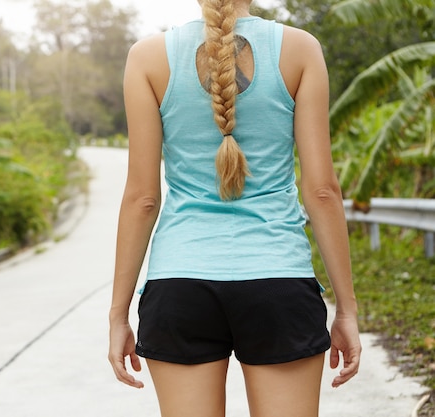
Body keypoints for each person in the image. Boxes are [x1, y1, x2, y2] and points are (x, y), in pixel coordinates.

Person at [108, 0, 362, 416]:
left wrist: (118, 315)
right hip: (278, 277)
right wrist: (347, 310)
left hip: (180, 281)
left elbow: (142, 199)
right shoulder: (299, 49)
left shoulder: (148, 58)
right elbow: (322, 192)